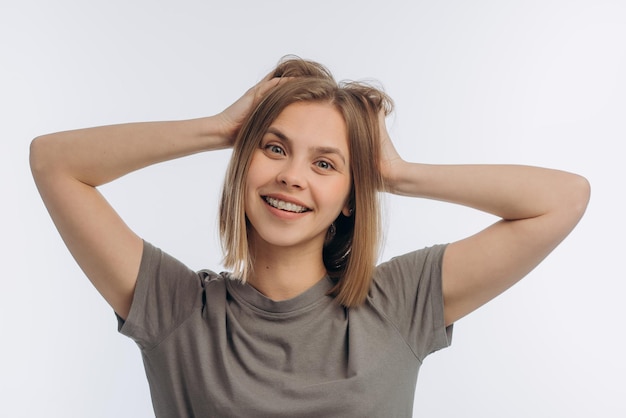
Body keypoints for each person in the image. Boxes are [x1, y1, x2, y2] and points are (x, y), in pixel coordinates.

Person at [30, 57, 590, 417]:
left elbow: (562, 200)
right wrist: (222, 128)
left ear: (352, 196)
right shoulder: (176, 308)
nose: (292, 176)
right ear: (245, 163)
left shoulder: (398, 305)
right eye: (274, 148)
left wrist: (394, 173)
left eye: (325, 164)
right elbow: (53, 162)